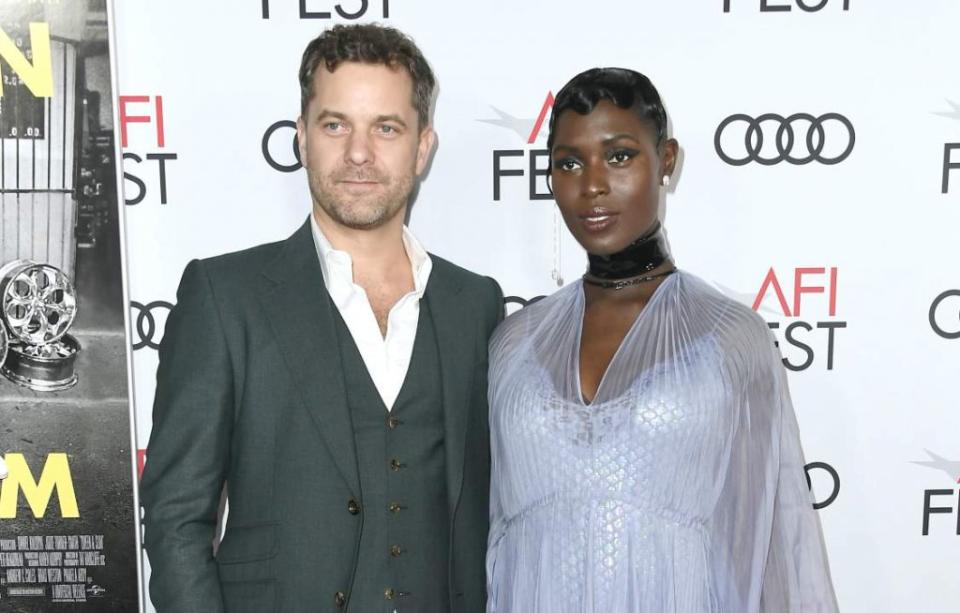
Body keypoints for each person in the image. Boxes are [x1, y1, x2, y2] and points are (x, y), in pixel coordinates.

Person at [140, 24, 502, 613]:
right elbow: (176, 515)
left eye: (386, 128)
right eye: (336, 125)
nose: (359, 153)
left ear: (423, 146)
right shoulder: (225, 295)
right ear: (303, 138)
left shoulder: (475, 303)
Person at [485, 67, 838, 612]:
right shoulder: (514, 344)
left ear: (666, 160)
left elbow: (773, 543)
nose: (593, 185)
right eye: (569, 163)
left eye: (620, 156)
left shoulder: (729, 338)